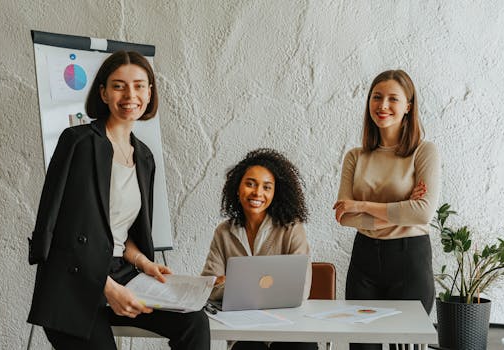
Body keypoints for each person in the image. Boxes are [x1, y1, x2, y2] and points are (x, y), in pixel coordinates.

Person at [27, 51, 210, 350]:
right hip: (73, 280)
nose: (130, 95)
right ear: (103, 92)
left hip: (122, 273)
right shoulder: (79, 143)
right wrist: (104, 286)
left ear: (150, 93)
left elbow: (122, 233)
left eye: (139, 85)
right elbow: (59, 233)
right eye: (118, 86)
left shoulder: (145, 157)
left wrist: (144, 263)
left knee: (194, 322)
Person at [333, 70, 441, 350]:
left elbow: (423, 214)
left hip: (410, 259)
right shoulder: (355, 157)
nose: (382, 106)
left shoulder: (424, 152)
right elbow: (344, 216)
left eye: (393, 98)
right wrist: (400, 210)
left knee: (403, 346)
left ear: (408, 106)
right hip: (364, 260)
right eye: (376, 97)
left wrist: (363, 205)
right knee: (361, 346)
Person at [202, 148, 317, 350]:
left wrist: (234, 286)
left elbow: (301, 288)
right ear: (237, 188)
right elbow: (209, 287)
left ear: (275, 193)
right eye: (250, 184)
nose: (258, 193)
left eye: (267, 187)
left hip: (289, 328)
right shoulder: (224, 232)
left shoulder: (292, 228)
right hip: (243, 332)